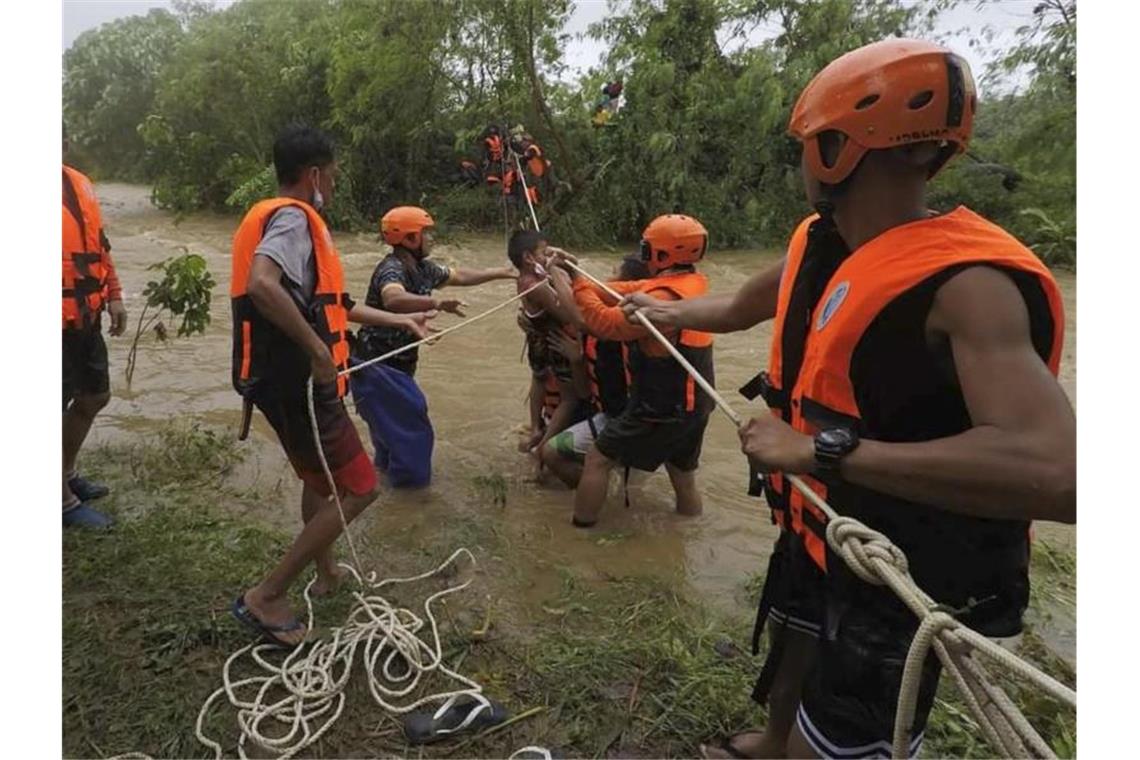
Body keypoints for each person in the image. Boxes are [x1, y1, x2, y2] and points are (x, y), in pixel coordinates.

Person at [628, 39, 1076, 759]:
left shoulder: (970, 285)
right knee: (796, 635)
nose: (805, 159)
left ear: (837, 150)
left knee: (844, 731)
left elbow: (1062, 477)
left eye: (811, 144)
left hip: (898, 564)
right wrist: (665, 313)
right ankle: (776, 740)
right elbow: (744, 306)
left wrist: (819, 448)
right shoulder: (822, 237)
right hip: (822, 520)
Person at [229, 124, 435, 646]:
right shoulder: (295, 219)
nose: (335, 185)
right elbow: (261, 284)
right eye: (334, 175)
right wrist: (320, 353)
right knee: (361, 486)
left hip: (283, 380)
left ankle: (325, 573)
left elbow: (335, 306)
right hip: (298, 380)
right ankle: (267, 595)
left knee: (318, 479)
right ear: (315, 175)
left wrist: (402, 322)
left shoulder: (276, 217)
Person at [558, 214, 715, 527]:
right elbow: (618, 289)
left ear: (662, 254)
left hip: (661, 407)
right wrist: (578, 273)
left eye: (647, 250)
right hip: (696, 405)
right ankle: (689, 531)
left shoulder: (658, 300)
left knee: (598, 458)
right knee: (683, 476)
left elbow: (604, 323)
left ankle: (581, 528)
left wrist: (574, 285)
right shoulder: (690, 284)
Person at [351, 206, 517, 488]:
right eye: (426, 233)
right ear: (410, 238)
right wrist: (436, 302)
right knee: (413, 436)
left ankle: (389, 500)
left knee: (391, 444)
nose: (432, 239)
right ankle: (412, 506)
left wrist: (502, 272)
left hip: (388, 372)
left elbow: (461, 276)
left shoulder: (423, 269)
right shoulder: (392, 269)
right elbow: (393, 298)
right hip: (379, 371)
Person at [63, 125, 129, 528]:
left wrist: (115, 294)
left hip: (83, 315)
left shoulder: (79, 184)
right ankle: (60, 503)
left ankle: (65, 473)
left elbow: (99, 246)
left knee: (95, 395)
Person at [540, 255, 647, 488]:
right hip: (607, 410)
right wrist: (577, 360)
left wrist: (558, 271)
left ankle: (596, 491)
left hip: (622, 417)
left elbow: (577, 315)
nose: (608, 279)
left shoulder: (619, 321)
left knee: (550, 454)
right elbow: (583, 393)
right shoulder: (608, 317)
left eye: (614, 273)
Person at [510, 229, 585, 456]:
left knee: (539, 378)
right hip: (554, 341)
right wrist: (557, 277)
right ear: (528, 258)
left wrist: (561, 260)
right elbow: (566, 315)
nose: (548, 255)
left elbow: (573, 266)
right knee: (570, 398)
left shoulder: (525, 279)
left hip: (537, 340)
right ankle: (543, 449)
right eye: (544, 252)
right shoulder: (538, 285)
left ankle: (535, 428)